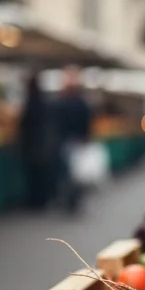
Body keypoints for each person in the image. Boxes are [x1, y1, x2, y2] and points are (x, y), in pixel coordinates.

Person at [18, 70, 60, 210]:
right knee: (40, 173)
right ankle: (42, 199)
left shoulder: (34, 101)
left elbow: (27, 121)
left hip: (36, 143)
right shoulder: (43, 99)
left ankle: (38, 200)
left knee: (36, 174)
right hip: (42, 143)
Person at [53, 65, 92, 214]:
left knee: (72, 174)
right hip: (69, 140)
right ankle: (71, 201)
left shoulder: (74, 101)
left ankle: (72, 201)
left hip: (72, 141)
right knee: (71, 174)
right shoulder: (75, 101)